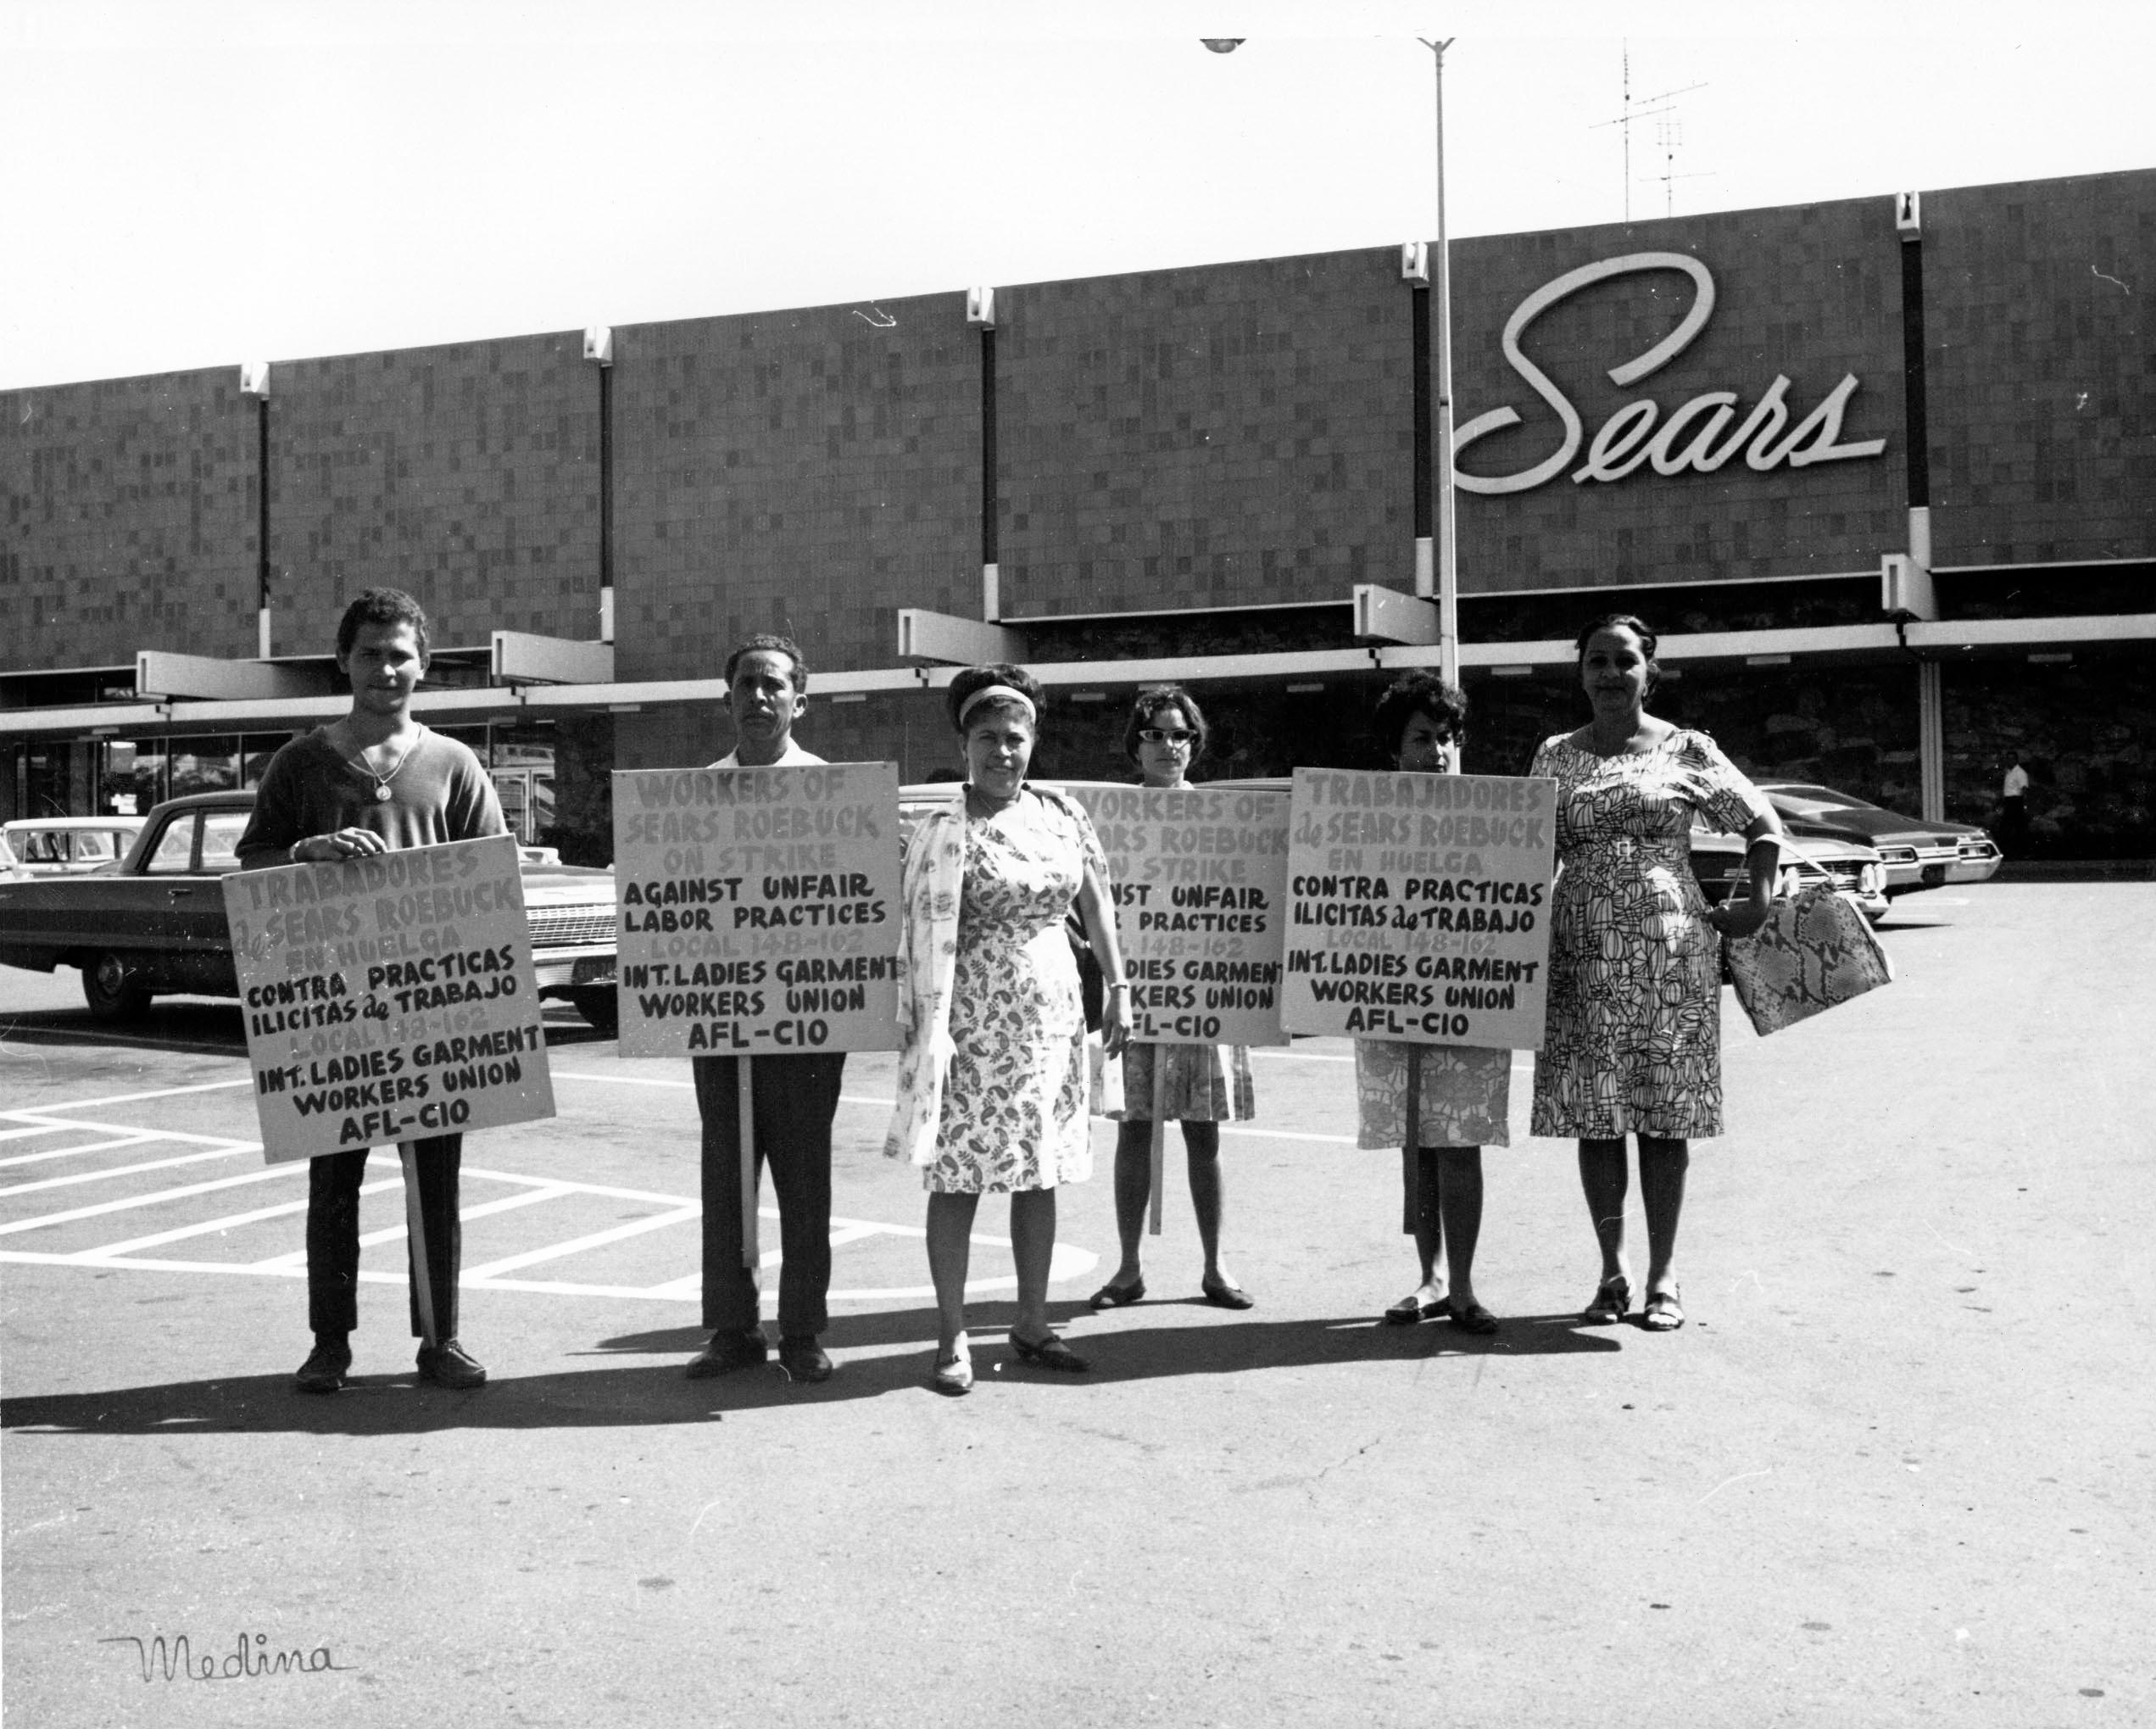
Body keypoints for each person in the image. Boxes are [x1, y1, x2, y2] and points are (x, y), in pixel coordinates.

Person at [236, 588, 507, 1394]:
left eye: (401, 654)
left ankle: (441, 1336)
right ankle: (329, 1342)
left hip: (431, 1010)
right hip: (333, 1010)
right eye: (370, 653)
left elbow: (495, 876)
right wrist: (306, 851)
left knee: (436, 1182)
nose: (386, 668)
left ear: (423, 665)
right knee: (334, 1185)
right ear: (343, 662)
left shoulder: (453, 763)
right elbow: (252, 866)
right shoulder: (300, 763)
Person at [1529, 614, 1785, 1334]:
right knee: (1595, 1115)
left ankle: (1662, 1274)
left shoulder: (1687, 747)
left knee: (1665, 1118)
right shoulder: (1552, 755)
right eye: (1597, 661)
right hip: (1579, 956)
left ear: (1650, 671)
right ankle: (1611, 1271)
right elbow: (1524, 854)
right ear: (1579, 671)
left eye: (1625, 661)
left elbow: (1761, 824)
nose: (1611, 674)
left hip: (1670, 955)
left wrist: (1756, 901)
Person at [884, 665, 1132, 1393]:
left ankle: (1030, 1321)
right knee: (959, 1177)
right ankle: (951, 1334)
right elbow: (914, 932)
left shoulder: (1062, 814)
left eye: (1015, 738)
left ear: (1033, 742)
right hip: (967, 1025)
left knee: (1039, 1171)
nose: (1002, 751)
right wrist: (929, 1030)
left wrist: (1118, 986)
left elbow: (1097, 903)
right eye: (987, 737)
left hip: (1052, 1018)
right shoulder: (942, 829)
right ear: (964, 743)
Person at [682, 634, 850, 1385]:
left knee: (804, 1176)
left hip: (808, 1023)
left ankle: (803, 1330)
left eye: (774, 685)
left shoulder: (833, 790)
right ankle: (731, 1327)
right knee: (727, 1174)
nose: (759, 697)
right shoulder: (692, 794)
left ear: (799, 701)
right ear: (726, 699)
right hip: (721, 1016)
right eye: (746, 684)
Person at [1090, 684, 1256, 1313]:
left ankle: (1215, 1265)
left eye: (1180, 733)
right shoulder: (1111, 815)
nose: (1168, 745)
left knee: (1202, 1134)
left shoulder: (1220, 815)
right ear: (1136, 742)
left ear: (1195, 742)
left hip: (1202, 993)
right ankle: (1128, 1267)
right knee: (1133, 1130)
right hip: (1135, 995)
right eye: (1155, 733)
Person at [1360, 674, 1510, 1336]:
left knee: (1461, 1143)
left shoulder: (1492, 814)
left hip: (1469, 998)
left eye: (1447, 738)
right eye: (1422, 738)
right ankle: (1430, 1275)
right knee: (1414, 1145)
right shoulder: (1360, 814)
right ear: (1395, 749)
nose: (1438, 751)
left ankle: (1465, 1285)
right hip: (1390, 999)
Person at [2001, 759, 2030, 851]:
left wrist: (2024, 804)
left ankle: (2019, 849)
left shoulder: (2020, 772)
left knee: (2017, 826)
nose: (2010, 761)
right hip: (2009, 800)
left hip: (2016, 800)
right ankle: (2013, 848)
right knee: (2010, 826)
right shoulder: (2009, 772)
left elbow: (2024, 788)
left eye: (2012, 759)